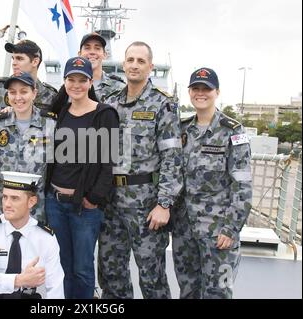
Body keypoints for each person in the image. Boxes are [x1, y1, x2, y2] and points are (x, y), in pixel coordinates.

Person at [98, 42, 183, 299]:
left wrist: (164, 204)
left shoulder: (162, 104)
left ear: (150, 67)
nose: (134, 65)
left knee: (151, 274)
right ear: (123, 64)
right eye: (130, 60)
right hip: (111, 201)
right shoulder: (109, 103)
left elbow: (172, 157)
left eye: (140, 61)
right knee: (111, 271)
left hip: (146, 204)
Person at [171, 68, 252, 299]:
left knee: (218, 292)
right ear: (189, 92)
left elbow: (243, 186)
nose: (200, 93)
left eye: (206, 89)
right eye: (196, 88)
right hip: (184, 228)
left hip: (217, 230)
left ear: (217, 92)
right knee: (188, 291)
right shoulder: (183, 129)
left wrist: (230, 228)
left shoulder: (233, 132)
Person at [45, 57, 120, 299]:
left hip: (84, 207)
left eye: (82, 80)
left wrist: (94, 198)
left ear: (90, 82)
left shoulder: (104, 114)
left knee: (83, 270)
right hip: (55, 203)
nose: (76, 85)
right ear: (65, 82)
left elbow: (109, 162)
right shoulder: (60, 112)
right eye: (71, 79)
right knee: (62, 266)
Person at [0, 171, 64, 299]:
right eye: (5, 197)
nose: (7, 204)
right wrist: (17, 280)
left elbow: (55, 288)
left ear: (31, 202)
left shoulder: (45, 238)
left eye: (14, 198)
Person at [0, 73, 56, 222]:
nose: (18, 97)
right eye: (13, 92)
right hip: (0, 207)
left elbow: (55, 169)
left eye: (24, 91)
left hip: (35, 209)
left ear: (34, 93)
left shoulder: (51, 124)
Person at [0, 39, 58, 124]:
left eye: (19, 58)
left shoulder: (51, 96)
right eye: (13, 58)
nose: (14, 63)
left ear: (35, 61)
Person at [78, 32, 125, 101]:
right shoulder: (70, 87)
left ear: (105, 55)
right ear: (79, 54)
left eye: (97, 48)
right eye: (87, 48)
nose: (92, 52)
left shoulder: (120, 88)